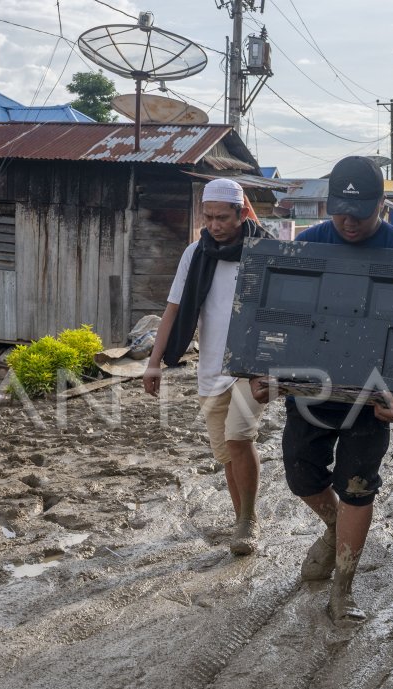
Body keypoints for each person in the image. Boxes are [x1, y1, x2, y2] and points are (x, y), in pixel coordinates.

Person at [251, 155, 393, 624]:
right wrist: (264, 371)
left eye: (361, 214)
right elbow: (277, 318)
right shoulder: (308, 245)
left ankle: (343, 587)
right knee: (301, 475)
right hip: (310, 388)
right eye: (340, 212)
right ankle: (332, 527)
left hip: (371, 397)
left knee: (358, 486)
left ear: (382, 205)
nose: (348, 222)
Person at [143, 178, 272, 556]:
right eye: (208, 217)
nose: (214, 225)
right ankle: (240, 519)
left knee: (239, 436)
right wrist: (154, 363)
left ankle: (249, 521)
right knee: (226, 452)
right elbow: (174, 309)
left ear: (241, 212)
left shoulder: (264, 251)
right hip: (211, 364)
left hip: (252, 365)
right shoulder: (195, 254)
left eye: (222, 217)